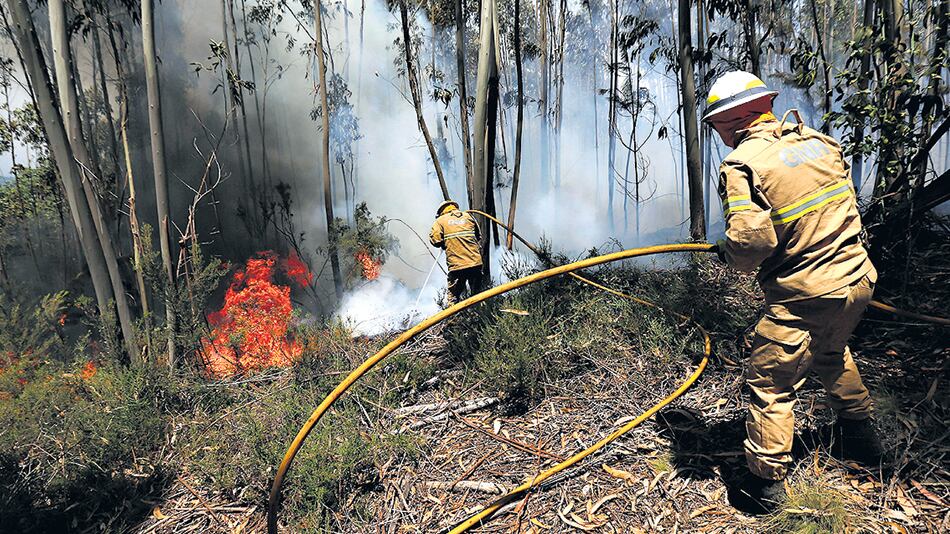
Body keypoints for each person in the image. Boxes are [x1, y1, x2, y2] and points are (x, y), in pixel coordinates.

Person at [703, 71, 883, 513]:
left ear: (731, 121)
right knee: (831, 351)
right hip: (857, 279)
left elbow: (751, 245)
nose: (719, 135)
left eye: (716, 125)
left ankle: (764, 488)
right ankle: (861, 438)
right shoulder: (819, 142)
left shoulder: (742, 165)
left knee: (770, 382)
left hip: (805, 295)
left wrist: (727, 255)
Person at [429, 200, 483, 304]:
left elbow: (435, 241)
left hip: (457, 266)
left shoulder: (440, 220)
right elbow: (478, 236)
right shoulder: (468, 216)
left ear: (441, 211)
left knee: (453, 299)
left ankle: (454, 318)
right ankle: (480, 316)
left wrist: (446, 242)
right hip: (475, 263)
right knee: (478, 296)